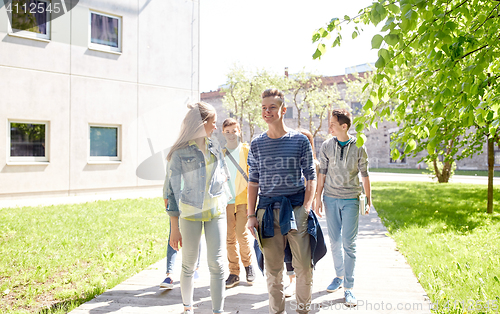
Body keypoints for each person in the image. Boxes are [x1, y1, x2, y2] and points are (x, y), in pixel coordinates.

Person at [246, 88, 317, 314]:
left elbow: (310, 176)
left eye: (272, 107)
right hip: (266, 212)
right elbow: (253, 182)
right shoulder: (256, 144)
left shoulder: (299, 141)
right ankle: (276, 311)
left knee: (304, 266)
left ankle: (303, 310)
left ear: (283, 109)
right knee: (273, 270)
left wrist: (305, 208)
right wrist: (250, 216)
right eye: (264, 108)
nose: (267, 112)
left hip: (295, 209)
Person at [164, 102, 229, 314]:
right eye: (213, 123)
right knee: (188, 265)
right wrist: (174, 227)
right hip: (190, 214)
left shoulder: (215, 146)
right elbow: (170, 192)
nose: (216, 128)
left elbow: (223, 177)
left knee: (217, 265)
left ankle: (217, 311)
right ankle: (187, 308)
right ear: (202, 123)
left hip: (216, 213)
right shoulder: (180, 153)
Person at [314, 108, 372, 307]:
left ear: (344, 126)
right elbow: (322, 172)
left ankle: (349, 287)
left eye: (332, 124)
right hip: (330, 198)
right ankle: (339, 276)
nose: (329, 126)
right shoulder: (326, 146)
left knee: (349, 243)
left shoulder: (359, 146)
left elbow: (364, 174)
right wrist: (318, 197)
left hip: (350, 200)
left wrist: (368, 199)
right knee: (335, 241)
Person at [283, 129, 320, 298]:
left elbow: (315, 186)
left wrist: (310, 206)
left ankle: (303, 282)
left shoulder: (314, 163)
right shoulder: (287, 161)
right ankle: (291, 282)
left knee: (305, 248)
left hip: (305, 210)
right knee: (288, 248)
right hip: (288, 207)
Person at [221, 118, 255, 288]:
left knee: (242, 236)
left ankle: (248, 266)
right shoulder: (221, 153)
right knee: (229, 239)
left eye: (234, 131)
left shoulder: (246, 150)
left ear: (239, 131)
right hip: (227, 202)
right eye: (227, 132)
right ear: (223, 133)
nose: (231, 135)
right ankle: (234, 272)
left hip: (243, 200)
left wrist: (252, 202)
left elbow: (253, 176)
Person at [158, 218, 201, 289]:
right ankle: (169, 274)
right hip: (178, 208)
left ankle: (195, 269)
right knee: (174, 230)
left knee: (195, 231)